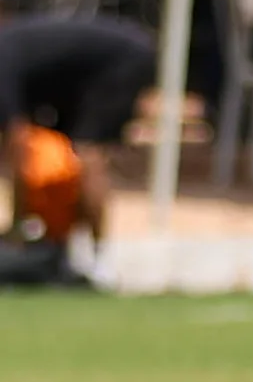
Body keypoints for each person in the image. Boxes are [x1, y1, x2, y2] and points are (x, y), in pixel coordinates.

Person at [0, 14, 157, 246]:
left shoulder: (3, 71)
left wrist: (16, 222)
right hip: (83, 75)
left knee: (87, 152)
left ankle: (100, 258)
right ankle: (64, 243)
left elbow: (20, 148)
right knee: (61, 152)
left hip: (120, 62)